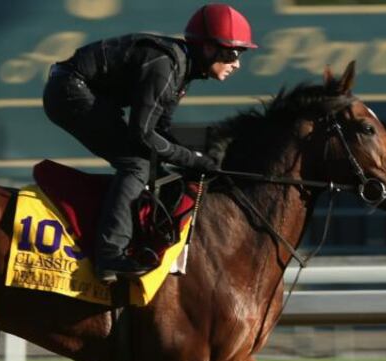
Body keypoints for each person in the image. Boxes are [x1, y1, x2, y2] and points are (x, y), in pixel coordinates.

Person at [42, 3, 257, 283]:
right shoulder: (166, 66)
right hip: (69, 91)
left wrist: (195, 161)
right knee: (136, 164)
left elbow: (161, 130)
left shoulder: (182, 69)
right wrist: (193, 160)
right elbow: (143, 135)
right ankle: (109, 254)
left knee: (154, 166)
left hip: (84, 91)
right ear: (207, 47)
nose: (237, 63)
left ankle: (140, 239)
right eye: (232, 53)